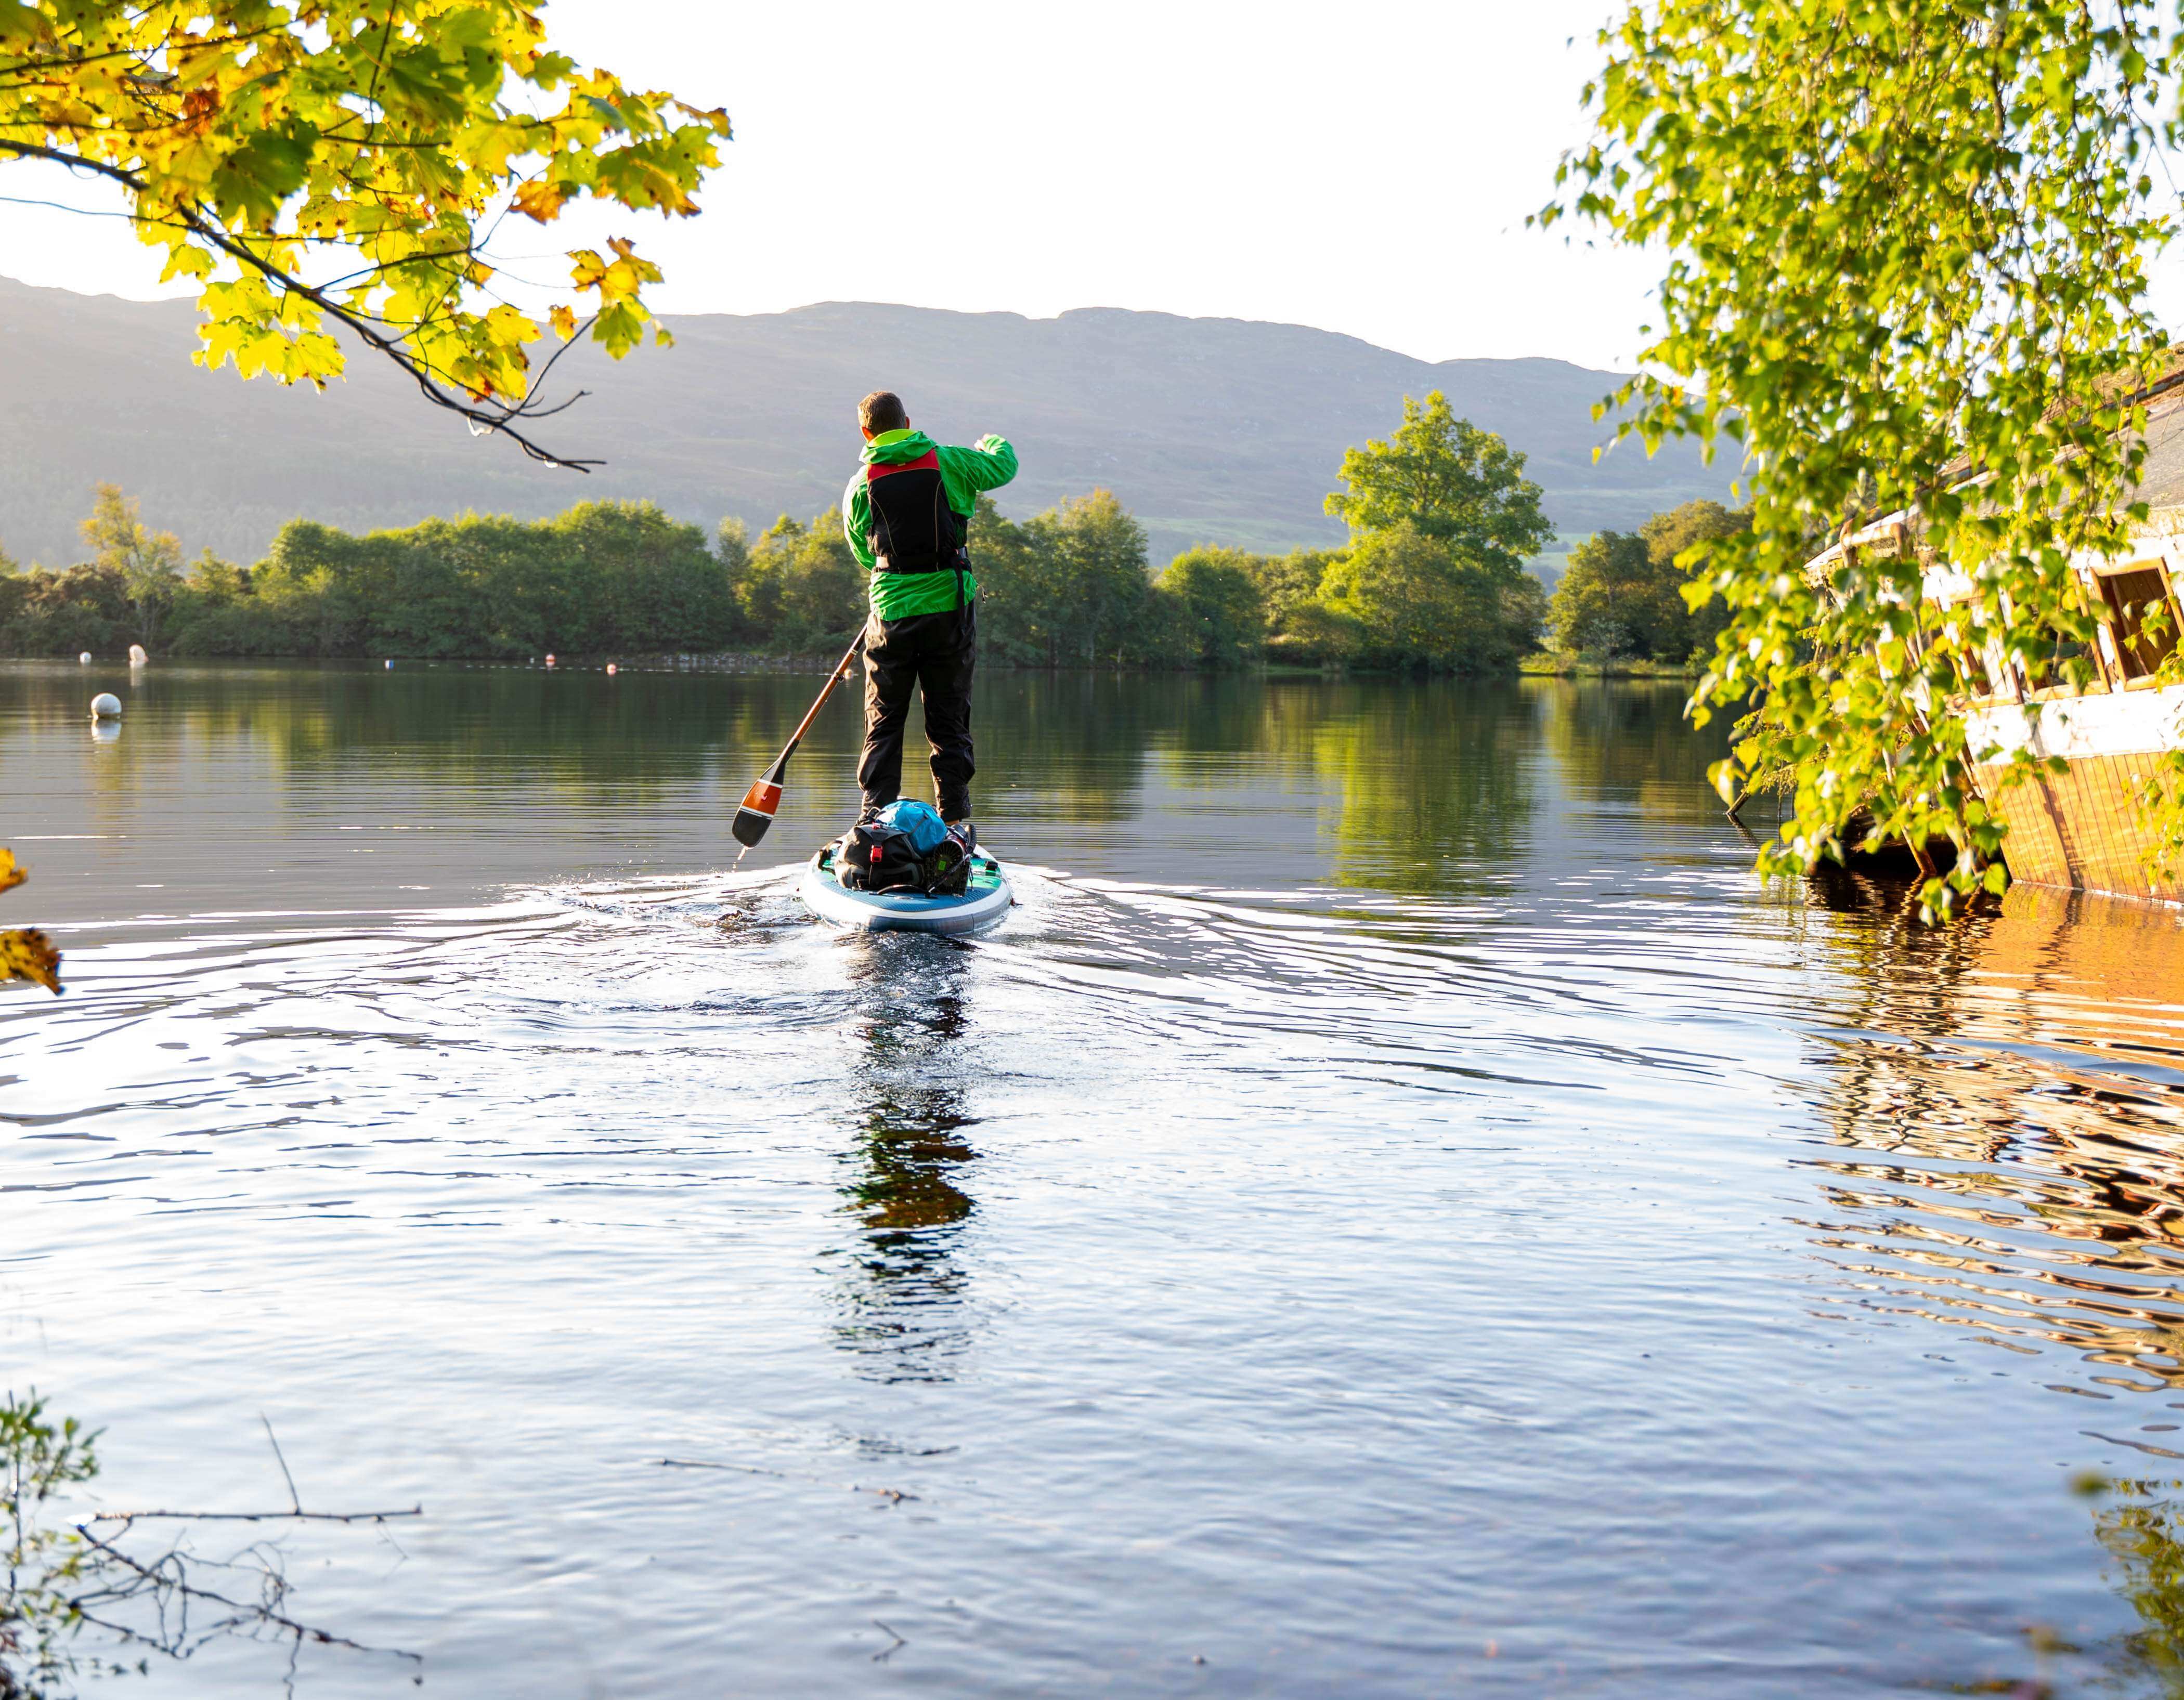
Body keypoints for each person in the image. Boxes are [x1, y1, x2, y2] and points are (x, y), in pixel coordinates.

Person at [841, 390, 1017, 848]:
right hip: (949, 615)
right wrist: (991, 442)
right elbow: (1004, 467)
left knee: (883, 721)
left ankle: (874, 824)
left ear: (866, 432)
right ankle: (956, 828)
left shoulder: (861, 485)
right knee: (948, 721)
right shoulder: (953, 462)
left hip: (891, 617)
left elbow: (864, 552)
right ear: (908, 421)